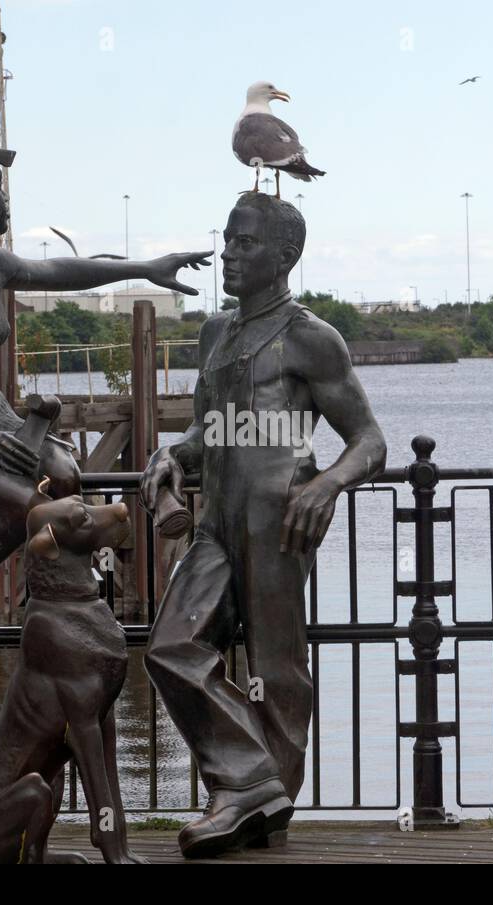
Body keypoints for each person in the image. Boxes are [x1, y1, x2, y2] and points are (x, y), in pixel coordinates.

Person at [0, 120, 209, 674]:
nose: (7, 197)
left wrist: (145, 269)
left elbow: (64, 270)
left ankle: (51, 605)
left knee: (63, 474)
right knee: (25, 504)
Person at [139, 192, 386, 858]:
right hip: (216, 518)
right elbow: (203, 427)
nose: (228, 254)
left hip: (280, 517)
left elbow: (369, 440)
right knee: (172, 646)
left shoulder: (311, 336)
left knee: (277, 668)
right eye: (226, 240)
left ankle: (258, 804)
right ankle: (251, 783)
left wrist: (330, 483)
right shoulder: (214, 332)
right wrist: (171, 453)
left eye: (244, 244)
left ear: (285, 256)